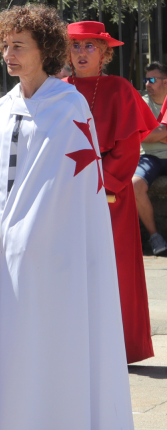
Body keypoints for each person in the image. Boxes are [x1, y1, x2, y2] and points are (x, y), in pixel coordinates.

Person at [0, 5, 135, 430]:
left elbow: (70, 185)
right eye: (4, 46)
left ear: (46, 50)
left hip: (54, 256)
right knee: (9, 347)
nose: (9, 54)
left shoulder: (69, 105)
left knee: (49, 347)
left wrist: (30, 236)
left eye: (20, 46)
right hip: (2, 252)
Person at [64, 21, 158, 363]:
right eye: (76, 46)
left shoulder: (119, 88)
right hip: (65, 193)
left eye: (90, 46)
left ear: (105, 54)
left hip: (110, 194)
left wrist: (103, 185)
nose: (82, 53)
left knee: (113, 268)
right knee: (68, 268)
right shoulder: (56, 89)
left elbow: (129, 148)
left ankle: (117, 347)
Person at [133, 61, 167, 256]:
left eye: (152, 80)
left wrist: (154, 132)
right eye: (146, 79)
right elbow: (140, 134)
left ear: (165, 82)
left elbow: (148, 133)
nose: (147, 84)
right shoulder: (141, 102)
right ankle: (155, 237)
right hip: (149, 157)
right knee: (135, 184)